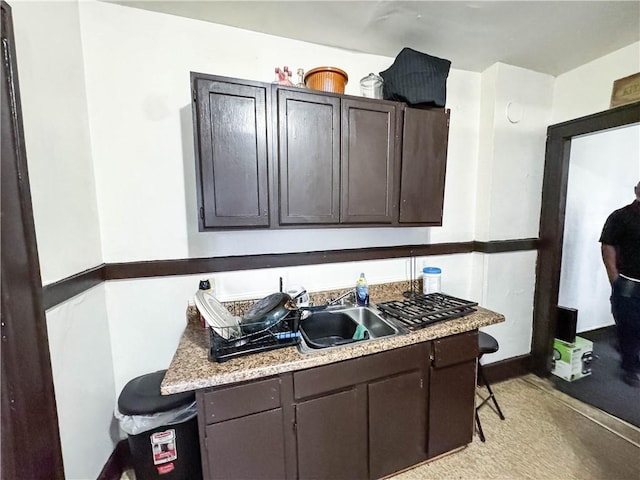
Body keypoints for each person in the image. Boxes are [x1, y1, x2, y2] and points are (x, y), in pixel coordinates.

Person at [599, 180, 640, 388]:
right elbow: (608, 248)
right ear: (636, 191)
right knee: (628, 326)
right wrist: (615, 279)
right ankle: (629, 368)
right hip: (629, 282)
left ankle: (633, 358)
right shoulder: (620, 217)